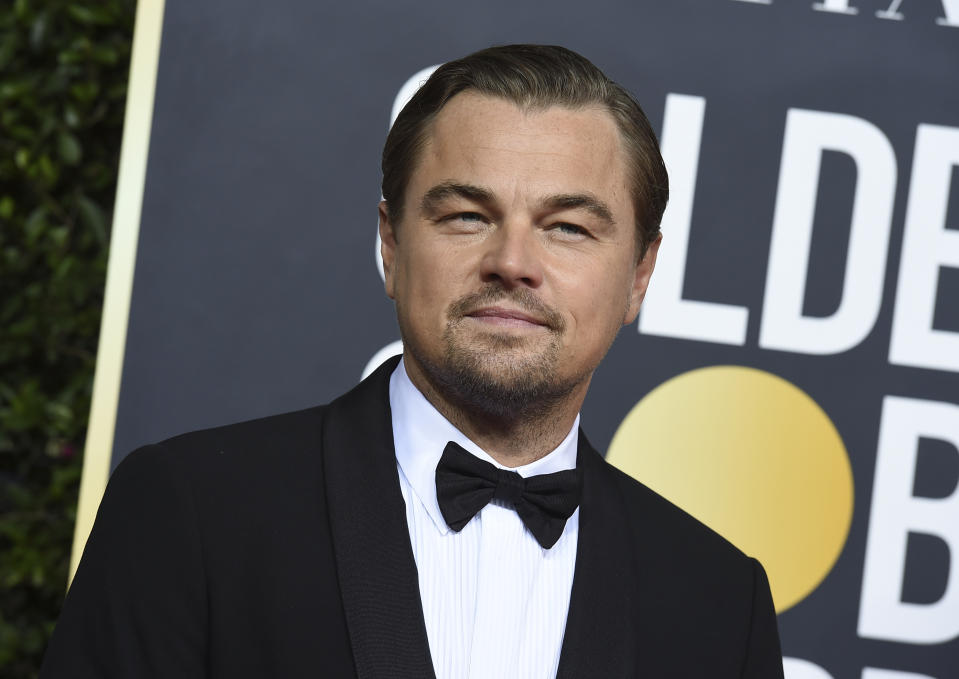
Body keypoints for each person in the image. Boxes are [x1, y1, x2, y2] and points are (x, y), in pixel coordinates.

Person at [41, 44, 784, 678]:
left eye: (566, 227)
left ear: (639, 274)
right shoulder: (193, 512)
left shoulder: (720, 601)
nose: (512, 262)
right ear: (392, 246)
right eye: (466, 216)